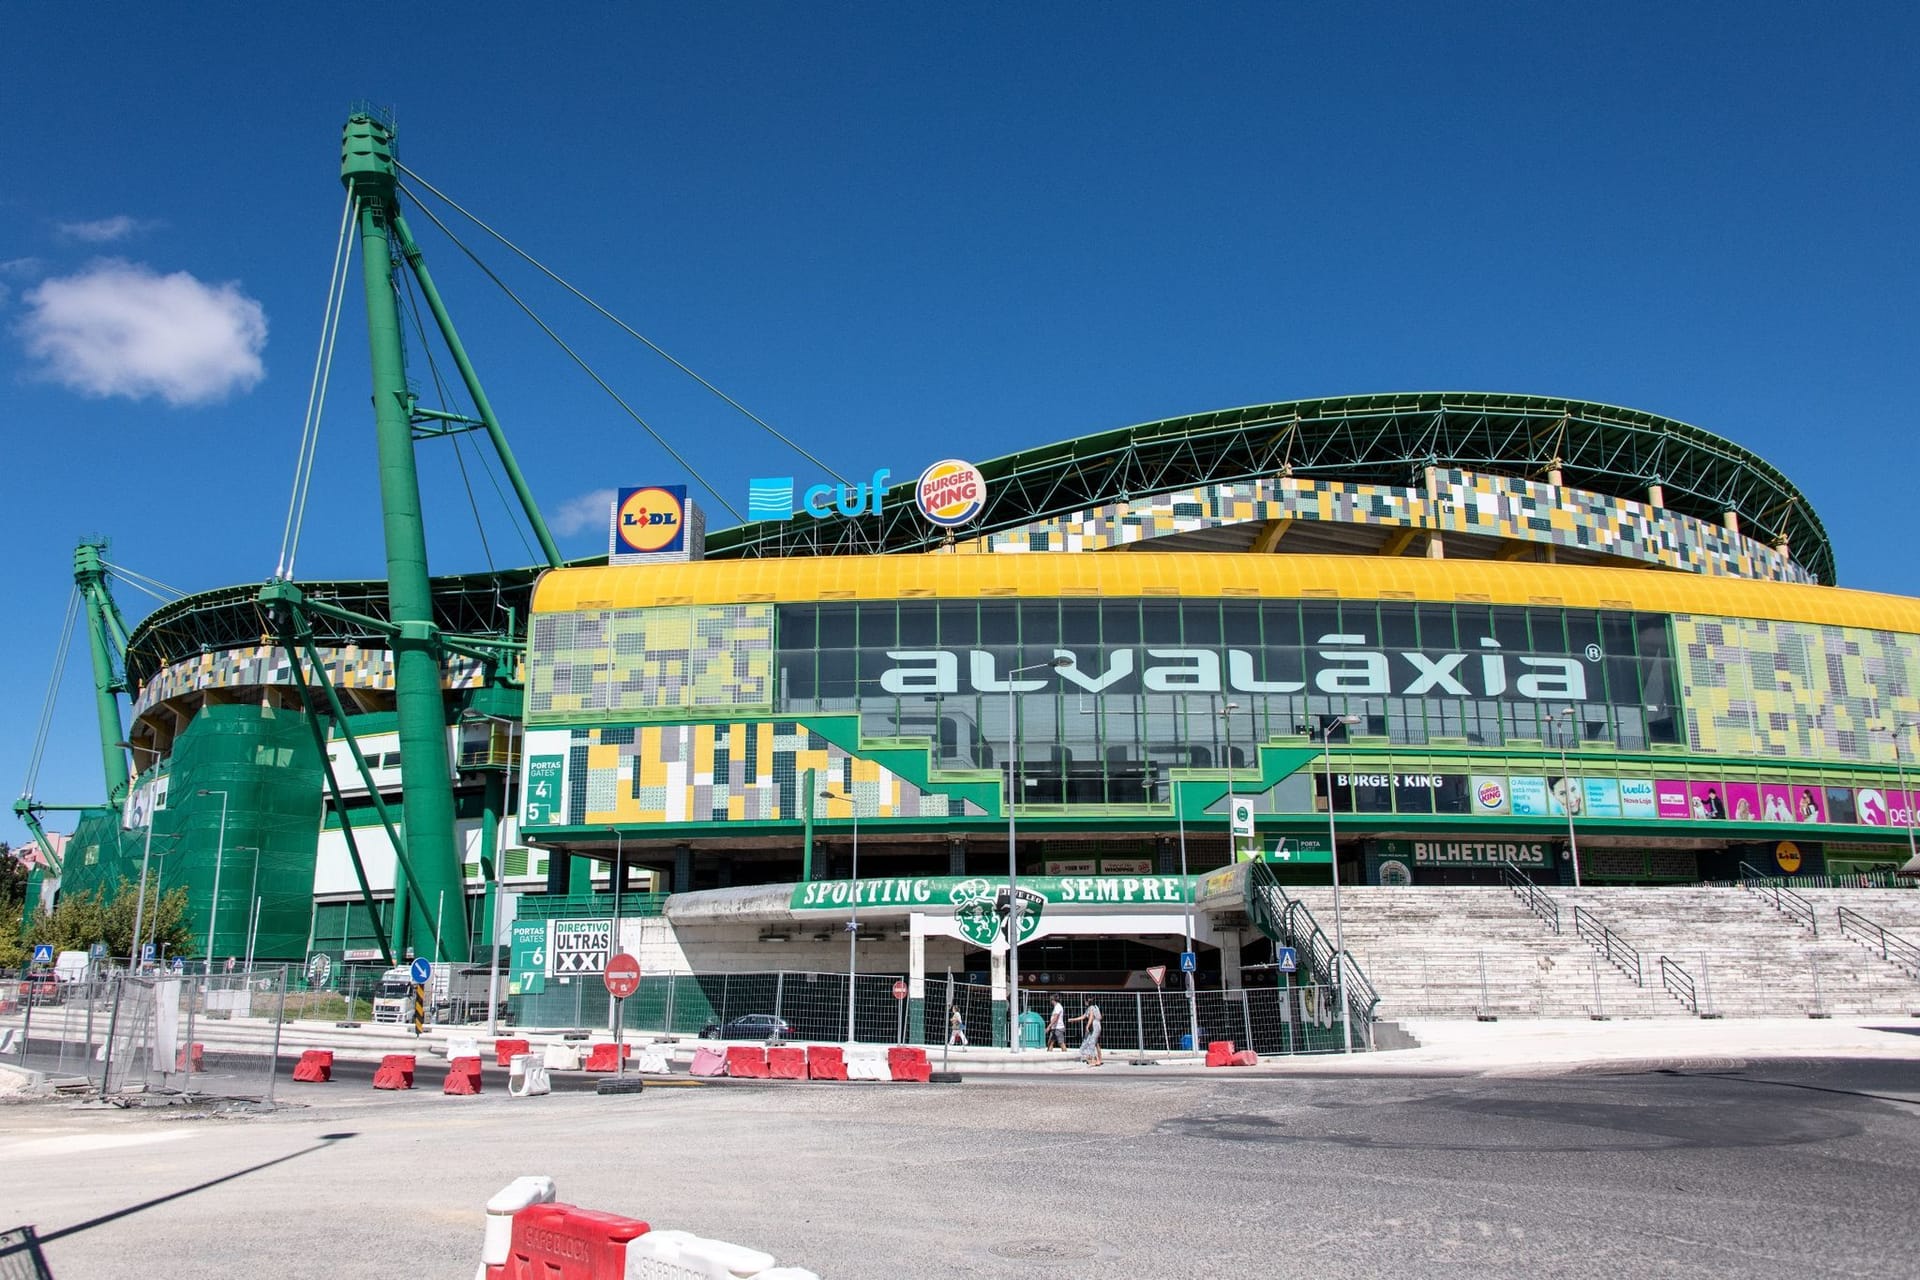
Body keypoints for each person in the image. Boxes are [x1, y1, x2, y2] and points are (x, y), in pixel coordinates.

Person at [1068, 997, 1103, 1066]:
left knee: (1091, 1042)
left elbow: (1091, 1017)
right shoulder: (1096, 1007)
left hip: (1094, 1025)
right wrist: (1073, 1019)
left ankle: (1093, 1060)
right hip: (1098, 1024)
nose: (1084, 1002)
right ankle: (1099, 1059)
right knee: (1096, 1043)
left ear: (1088, 1002)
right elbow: (1085, 1016)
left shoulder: (1090, 1008)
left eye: (1085, 1001)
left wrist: (1087, 1025)